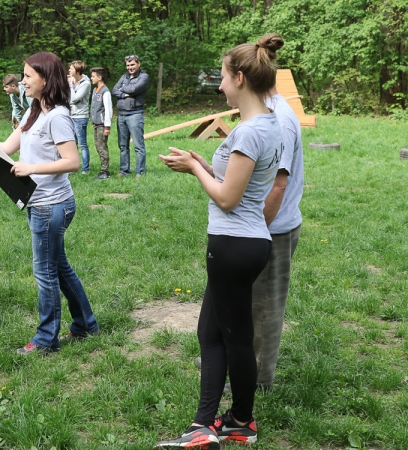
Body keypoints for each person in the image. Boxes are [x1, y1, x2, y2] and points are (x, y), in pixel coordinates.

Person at [155, 33, 285, 448]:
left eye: (224, 76)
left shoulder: (250, 132)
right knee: (211, 332)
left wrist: (195, 172)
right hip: (242, 243)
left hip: (234, 244)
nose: (220, 84)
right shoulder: (264, 123)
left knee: (235, 337)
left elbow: (229, 198)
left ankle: (240, 423)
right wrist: (199, 160)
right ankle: (204, 424)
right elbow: (239, 184)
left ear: (241, 78)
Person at [0, 52, 99, 354]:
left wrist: (31, 168)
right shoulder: (35, 109)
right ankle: (85, 325)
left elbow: (72, 162)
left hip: (50, 205)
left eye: (28, 76)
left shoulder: (57, 116)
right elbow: (5, 148)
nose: (23, 81)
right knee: (59, 268)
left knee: (45, 274)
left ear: (46, 79)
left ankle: (46, 341)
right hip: (41, 203)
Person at [253, 37, 304, 389]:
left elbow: (278, 186)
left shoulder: (280, 120)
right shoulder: (269, 111)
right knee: (248, 302)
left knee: (267, 309)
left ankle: (258, 378)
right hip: (265, 228)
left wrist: (257, 231)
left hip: (275, 230)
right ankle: (234, 357)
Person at [111, 55, 149, 178]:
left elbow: (135, 88)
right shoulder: (124, 76)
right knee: (123, 146)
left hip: (135, 114)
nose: (130, 67)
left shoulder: (144, 77)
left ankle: (140, 172)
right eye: (128, 65)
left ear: (139, 63)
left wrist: (122, 88)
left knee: (138, 146)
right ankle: (124, 171)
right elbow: (114, 90)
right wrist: (124, 94)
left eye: (132, 64)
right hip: (121, 115)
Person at [68, 60, 91, 174]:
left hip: (81, 116)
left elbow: (73, 99)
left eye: (71, 69)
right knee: (73, 144)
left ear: (77, 71)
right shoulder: (71, 80)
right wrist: (75, 97)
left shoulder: (86, 83)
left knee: (82, 144)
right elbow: (69, 98)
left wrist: (71, 88)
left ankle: (85, 170)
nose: (69, 71)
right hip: (71, 115)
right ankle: (73, 168)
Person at [90, 67, 113, 180]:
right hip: (96, 124)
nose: (91, 78)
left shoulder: (105, 92)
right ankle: (103, 169)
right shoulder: (95, 90)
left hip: (102, 125)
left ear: (99, 77)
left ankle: (105, 171)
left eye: (93, 76)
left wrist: (107, 126)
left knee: (102, 147)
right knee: (98, 147)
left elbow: (108, 110)